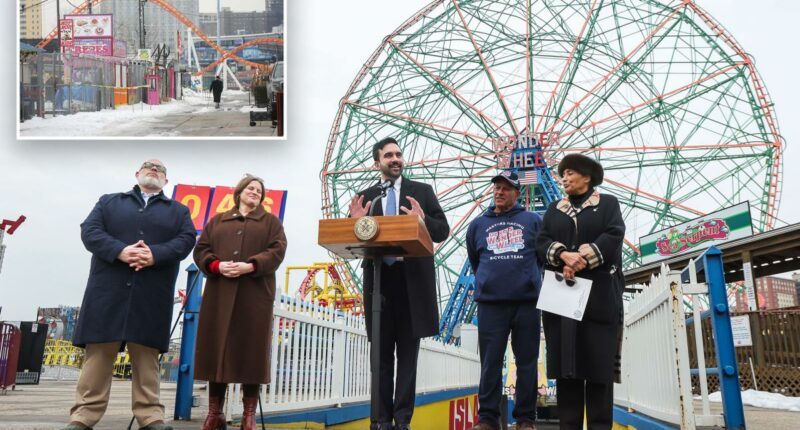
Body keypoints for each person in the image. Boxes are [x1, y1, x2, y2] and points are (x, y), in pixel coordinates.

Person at [64, 159, 196, 430]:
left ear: (166, 181)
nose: (154, 169)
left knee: (147, 358)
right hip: (108, 290)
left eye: (160, 169)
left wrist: (155, 254)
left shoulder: (179, 211)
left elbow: (186, 240)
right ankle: (83, 417)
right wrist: (120, 251)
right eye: (148, 166)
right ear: (137, 174)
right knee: (98, 355)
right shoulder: (109, 202)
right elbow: (90, 231)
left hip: (152, 293)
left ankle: (150, 417)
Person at [349, 137, 450, 430]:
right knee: (380, 356)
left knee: (408, 356)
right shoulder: (367, 196)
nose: (395, 159)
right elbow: (352, 236)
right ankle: (381, 420)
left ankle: (402, 419)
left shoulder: (422, 192)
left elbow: (442, 230)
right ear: (377, 162)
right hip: (380, 281)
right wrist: (355, 221)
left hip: (412, 283)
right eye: (389, 155)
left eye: (398, 154)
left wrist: (423, 220)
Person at [535, 154, 626, 430]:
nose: (564, 178)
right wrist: (563, 255)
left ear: (587, 177)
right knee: (567, 370)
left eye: (570, 173)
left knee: (599, 370)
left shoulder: (608, 204)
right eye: (562, 174)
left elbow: (614, 235)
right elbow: (542, 242)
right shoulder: (554, 209)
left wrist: (581, 259)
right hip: (563, 298)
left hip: (600, 297)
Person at [193, 174, 288, 430]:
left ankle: (249, 415)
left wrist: (251, 265)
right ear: (239, 192)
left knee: (251, 350)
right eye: (250, 188)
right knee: (217, 348)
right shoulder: (218, 220)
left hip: (254, 294)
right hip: (219, 293)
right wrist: (217, 265)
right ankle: (214, 413)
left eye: (259, 190)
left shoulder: (271, 223)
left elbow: (277, 250)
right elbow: (201, 250)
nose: (255, 192)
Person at [465, 171, 543, 430]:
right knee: (490, 363)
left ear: (516, 193)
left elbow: (541, 257)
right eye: (496, 188)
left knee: (527, 362)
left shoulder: (533, 221)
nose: (499, 192)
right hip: (491, 303)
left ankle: (525, 419)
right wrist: (490, 280)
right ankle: (488, 418)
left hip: (527, 302)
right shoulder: (477, 225)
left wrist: (528, 280)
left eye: (505, 188)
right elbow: (476, 260)